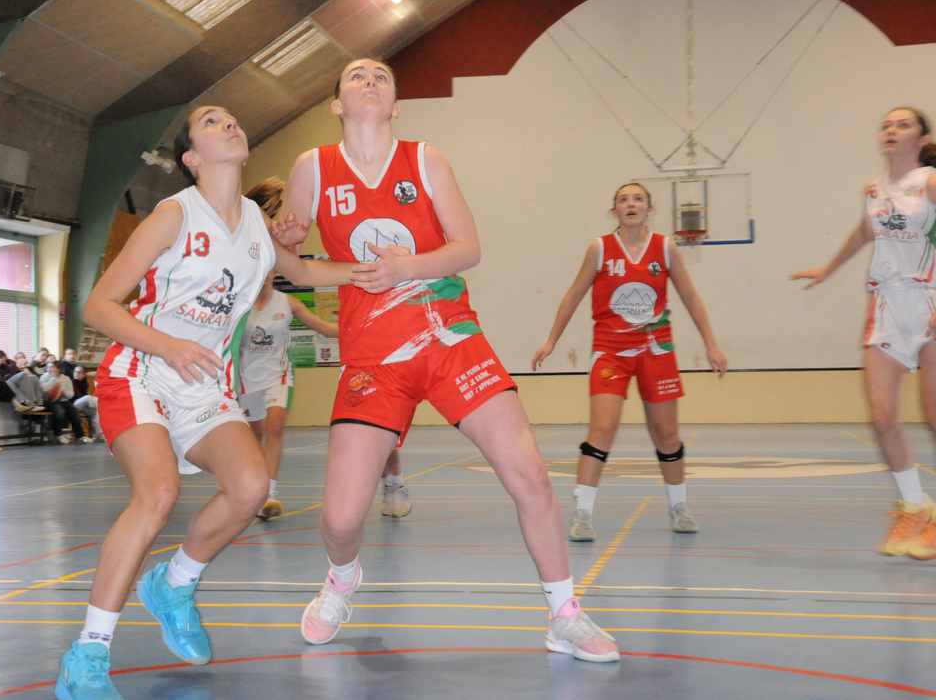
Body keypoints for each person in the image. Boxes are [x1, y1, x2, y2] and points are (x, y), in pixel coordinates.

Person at [273, 58, 619, 660]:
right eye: (356, 76)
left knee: (530, 474)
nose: (370, 81)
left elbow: (468, 248)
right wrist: (284, 248)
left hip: (449, 339)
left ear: (396, 106)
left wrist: (404, 268)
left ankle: (565, 613)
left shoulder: (425, 159)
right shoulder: (313, 168)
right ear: (336, 104)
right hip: (373, 356)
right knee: (340, 519)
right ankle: (341, 579)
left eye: (381, 77)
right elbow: (298, 270)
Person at [53, 104, 362, 700]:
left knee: (251, 487)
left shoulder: (255, 224)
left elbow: (304, 271)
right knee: (157, 493)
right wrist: (168, 345)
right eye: (211, 121)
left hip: (201, 383)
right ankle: (87, 654)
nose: (229, 123)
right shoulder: (173, 215)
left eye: (231, 118)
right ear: (192, 158)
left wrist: (375, 271)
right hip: (142, 369)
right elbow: (97, 306)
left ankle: (174, 584)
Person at [532, 183, 727, 541]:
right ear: (615, 211)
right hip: (611, 349)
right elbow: (574, 295)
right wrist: (551, 340)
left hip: (656, 348)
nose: (631, 204)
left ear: (649, 209)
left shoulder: (665, 248)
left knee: (666, 433)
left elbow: (690, 297)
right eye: (623, 199)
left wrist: (711, 344)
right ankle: (582, 513)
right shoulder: (600, 248)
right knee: (602, 428)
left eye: (638, 199)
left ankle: (679, 507)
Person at [793, 106, 936, 560]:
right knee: (882, 415)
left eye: (903, 125)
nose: (892, 130)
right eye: (886, 125)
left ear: (921, 139)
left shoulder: (930, 183)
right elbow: (864, 232)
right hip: (887, 305)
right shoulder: (874, 190)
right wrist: (829, 268)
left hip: (929, 301)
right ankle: (915, 506)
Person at [242, 177, 340, 519]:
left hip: (278, 375)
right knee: (254, 436)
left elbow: (325, 327)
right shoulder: (239, 301)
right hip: (246, 378)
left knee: (274, 427)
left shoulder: (287, 299)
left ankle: (268, 494)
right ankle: (253, 489)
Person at [41, 360, 88, 444]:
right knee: (60, 412)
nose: (49, 369)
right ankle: (58, 435)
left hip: (63, 400)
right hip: (49, 401)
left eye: (52, 367)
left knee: (74, 414)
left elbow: (71, 395)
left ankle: (80, 436)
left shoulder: (66, 378)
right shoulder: (44, 377)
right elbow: (43, 390)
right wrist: (54, 379)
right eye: (48, 367)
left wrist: (62, 391)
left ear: (59, 368)